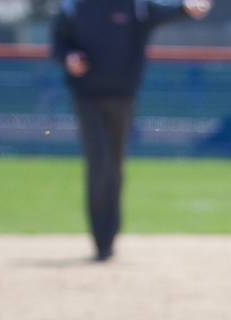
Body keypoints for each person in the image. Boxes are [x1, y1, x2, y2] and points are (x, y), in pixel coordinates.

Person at [51, 0, 212, 262]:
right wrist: (68, 57)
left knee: (114, 167)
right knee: (99, 164)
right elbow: (58, 43)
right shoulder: (74, 5)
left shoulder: (136, 5)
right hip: (86, 96)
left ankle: (109, 239)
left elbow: (167, 13)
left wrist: (186, 8)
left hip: (123, 96)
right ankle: (100, 240)